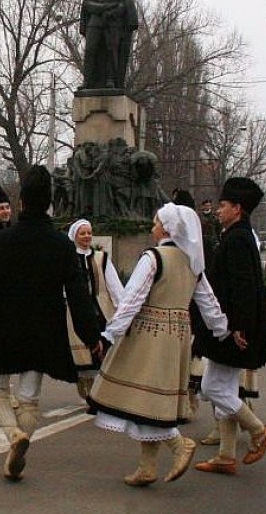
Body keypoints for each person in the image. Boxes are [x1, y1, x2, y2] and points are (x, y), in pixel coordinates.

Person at [0, 166, 102, 481]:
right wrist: (91, 335)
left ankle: (12, 435)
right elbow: (78, 295)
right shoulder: (61, 245)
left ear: (20, 204)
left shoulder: (2, 241)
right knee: (29, 396)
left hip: (5, 324)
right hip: (45, 328)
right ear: (49, 204)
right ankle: (23, 441)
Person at [88, 203, 230, 486]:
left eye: (155, 223)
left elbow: (132, 299)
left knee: (142, 397)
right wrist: (222, 329)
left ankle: (178, 445)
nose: (152, 228)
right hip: (177, 337)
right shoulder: (192, 262)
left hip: (148, 334)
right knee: (152, 398)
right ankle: (147, 466)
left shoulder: (154, 258)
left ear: (166, 228)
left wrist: (111, 333)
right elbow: (208, 302)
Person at [193, 177, 266, 476]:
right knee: (222, 388)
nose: (218, 210)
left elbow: (243, 285)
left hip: (233, 327)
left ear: (237, 208)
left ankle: (258, 431)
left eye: (223, 205)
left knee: (213, 386)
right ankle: (226, 456)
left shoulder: (238, 239)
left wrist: (238, 325)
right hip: (232, 325)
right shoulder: (237, 235)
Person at [65, 219, 124, 400]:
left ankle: (100, 391)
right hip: (74, 308)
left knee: (102, 348)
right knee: (82, 352)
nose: (86, 236)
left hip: (100, 307)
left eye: (89, 233)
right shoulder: (68, 258)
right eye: (82, 233)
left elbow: (113, 285)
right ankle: (86, 385)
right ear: (74, 236)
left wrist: (122, 306)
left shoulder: (101, 258)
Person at [78, 0, 139, 90]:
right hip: (95, 21)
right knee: (90, 50)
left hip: (113, 21)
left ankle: (111, 79)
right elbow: (87, 4)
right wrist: (106, 7)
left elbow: (125, 3)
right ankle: (87, 81)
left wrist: (114, 12)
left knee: (111, 50)